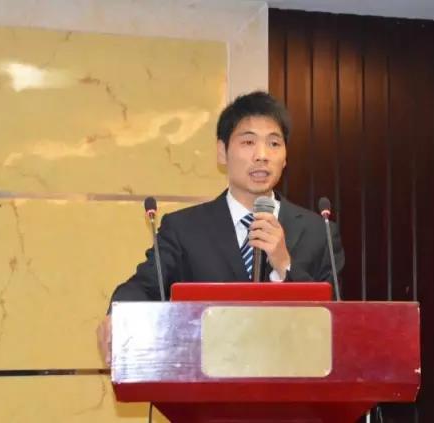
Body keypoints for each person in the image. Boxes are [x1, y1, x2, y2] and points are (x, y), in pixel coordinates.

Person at [97, 91, 344, 365]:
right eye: (248, 142)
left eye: (274, 143)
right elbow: (144, 286)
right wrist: (117, 315)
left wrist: (285, 265)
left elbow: (337, 319)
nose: (262, 155)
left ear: (285, 157)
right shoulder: (184, 228)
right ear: (222, 152)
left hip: (293, 380)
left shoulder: (318, 231)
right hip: (206, 379)